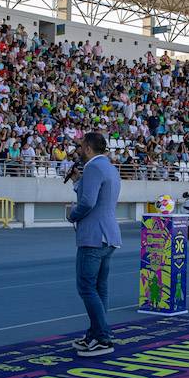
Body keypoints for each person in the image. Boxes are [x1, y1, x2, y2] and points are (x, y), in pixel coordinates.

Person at [67, 132, 122, 357]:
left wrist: (72, 215)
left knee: (86, 287)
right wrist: (77, 181)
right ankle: (95, 333)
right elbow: (97, 197)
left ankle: (102, 337)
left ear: (88, 148)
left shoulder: (93, 168)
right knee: (100, 288)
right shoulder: (110, 167)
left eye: (80, 147)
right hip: (109, 235)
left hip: (93, 237)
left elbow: (87, 202)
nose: (78, 151)